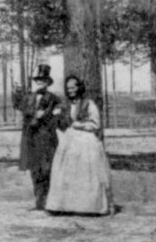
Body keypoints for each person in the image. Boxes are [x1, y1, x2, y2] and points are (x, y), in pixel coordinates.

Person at [45, 74, 114, 216]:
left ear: (79, 88)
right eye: (68, 88)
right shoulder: (65, 104)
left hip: (86, 140)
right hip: (69, 139)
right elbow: (61, 122)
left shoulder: (89, 104)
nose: (70, 90)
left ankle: (89, 206)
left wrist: (79, 125)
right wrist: (57, 117)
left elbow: (96, 124)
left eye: (73, 87)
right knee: (66, 170)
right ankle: (64, 205)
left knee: (86, 171)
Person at [14, 64, 63, 211]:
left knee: (47, 169)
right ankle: (39, 201)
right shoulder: (28, 97)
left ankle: (48, 200)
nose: (40, 82)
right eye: (38, 80)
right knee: (34, 169)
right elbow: (19, 107)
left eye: (43, 80)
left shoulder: (54, 99)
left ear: (48, 82)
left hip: (47, 138)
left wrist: (46, 116)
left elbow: (57, 118)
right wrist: (33, 114)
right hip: (31, 138)